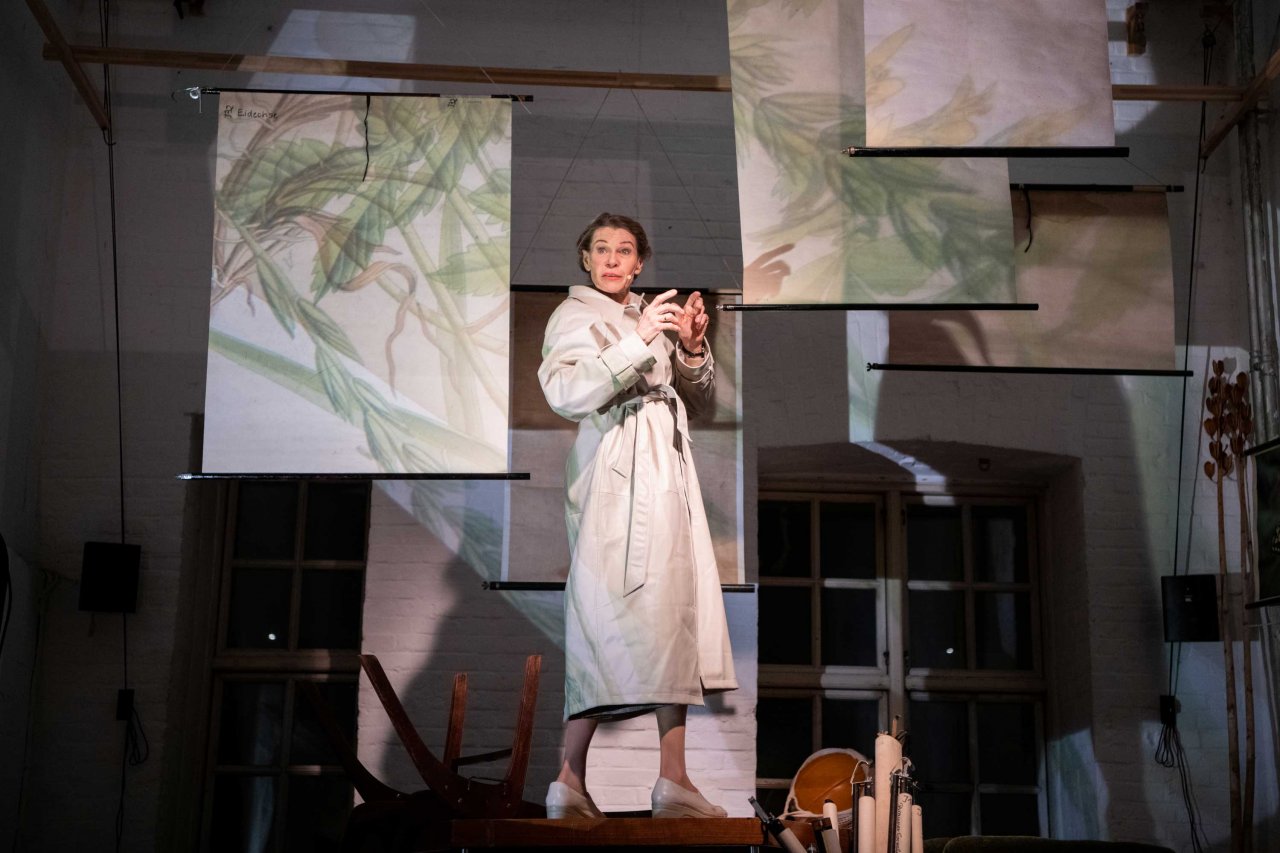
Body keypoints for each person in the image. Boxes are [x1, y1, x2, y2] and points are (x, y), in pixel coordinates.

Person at [537, 213, 738, 819]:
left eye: (623, 250)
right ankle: (570, 777)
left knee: (670, 612)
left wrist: (692, 346)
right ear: (585, 259)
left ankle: (671, 777)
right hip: (617, 475)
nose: (611, 259)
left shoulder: (647, 314)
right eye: (600, 249)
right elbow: (565, 394)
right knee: (606, 616)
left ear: (639, 262)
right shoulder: (573, 316)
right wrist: (640, 337)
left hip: (665, 470)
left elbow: (695, 399)